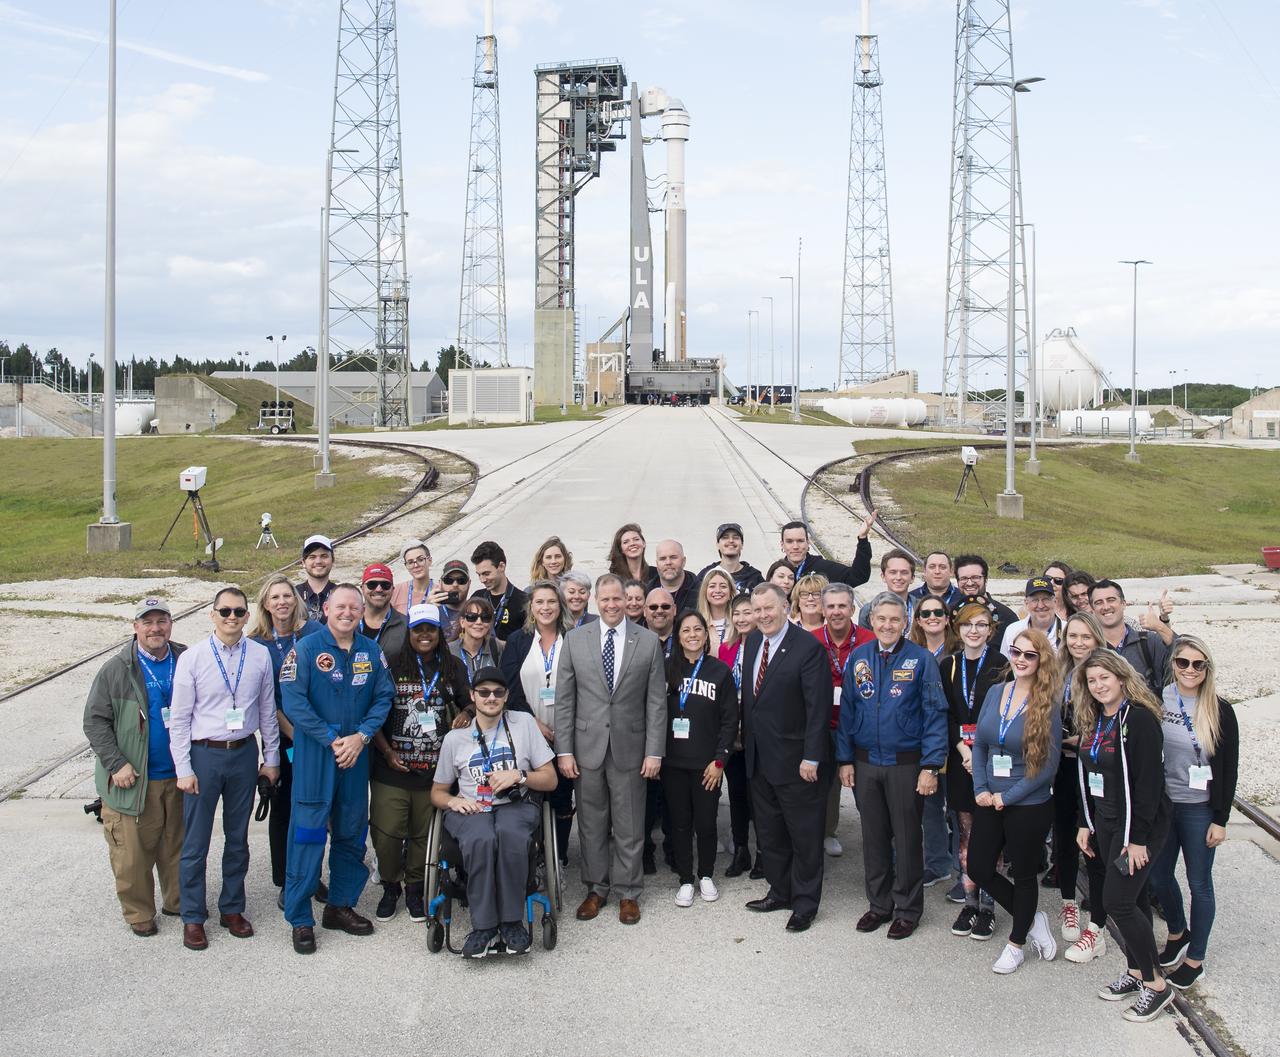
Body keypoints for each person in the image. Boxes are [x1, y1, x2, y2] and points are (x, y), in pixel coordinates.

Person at [280, 583, 395, 955]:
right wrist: (332, 739)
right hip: (318, 756)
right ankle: (300, 918)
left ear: (362, 612)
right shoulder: (306, 650)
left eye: (354, 608)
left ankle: (340, 906)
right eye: (341, 606)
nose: (347, 613)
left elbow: (383, 696)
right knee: (308, 835)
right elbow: (294, 702)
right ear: (326, 608)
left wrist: (361, 737)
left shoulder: (370, 650)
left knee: (350, 832)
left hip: (356, 756)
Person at [168, 588, 280, 951]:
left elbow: (267, 712)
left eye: (238, 612)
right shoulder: (194, 658)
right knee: (196, 842)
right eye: (225, 611)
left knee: (238, 838)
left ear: (248, 616)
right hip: (205, 755)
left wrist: (272, 759)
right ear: (212, 615)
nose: (232, 618)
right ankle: (193, 917)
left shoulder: (260, 655)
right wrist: (183, 767)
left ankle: (232, 907)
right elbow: (180, 719)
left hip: (243, 754)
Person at [554, 574, 667, 925]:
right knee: (590, 823)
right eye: (605, 600)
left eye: (617, 599)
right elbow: (565, 701)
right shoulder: (575, 640)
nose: (612, 605)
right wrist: (564, 751)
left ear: (628, 600)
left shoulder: (647, 642)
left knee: (630, 822)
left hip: (630, 749)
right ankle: (596, 888)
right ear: (595, 602)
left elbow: (656, 703)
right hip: (586, 750)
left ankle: (629, 892)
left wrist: (654, 752)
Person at [837, 592, 947, 940]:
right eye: (881, 619)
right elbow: (848, 713)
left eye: (894, 619)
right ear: (872, 622)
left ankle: (908, 909)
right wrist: (844, 759)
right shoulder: (859, 658)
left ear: (905, 622)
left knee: (907, 837)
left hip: (906, 765)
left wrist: (931, 765)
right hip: (866, 763)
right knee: (873, 838)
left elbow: (934, 714)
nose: (887, 625)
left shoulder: (921, 660)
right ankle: (879, 905)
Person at [1074, 649, 1174, 1022]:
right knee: (1134, 901)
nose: (1099, 685)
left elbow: (1147, 788)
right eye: (1092, 680)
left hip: (1140, 827)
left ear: (1120, 677)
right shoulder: (1095, 718)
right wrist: (1086, 822)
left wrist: (1137, 840)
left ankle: (1157, 985)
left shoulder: (1141, 720)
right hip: (1108, 821)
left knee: (1117, 901)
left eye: (1104, 678)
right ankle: (1135, 973)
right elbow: (1086, 776)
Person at [431, 667, 559, 957]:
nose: (491, 698)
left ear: (506, 696)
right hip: (472, 807)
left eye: (498, 692)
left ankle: (512, 922)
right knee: (481, 839)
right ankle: (484, 926)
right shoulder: (456, 739)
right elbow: (437, 792)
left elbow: (550, 779)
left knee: (510, 835)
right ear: (473, 696)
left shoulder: (524, 723)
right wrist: (453, 802)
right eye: (484, 692)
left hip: (515, 804)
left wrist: (520, 776)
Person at [83, 598, 188, 937]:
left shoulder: (186, 658)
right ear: (136, 627)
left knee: (176, 844)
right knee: (131, 852)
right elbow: (95, 721)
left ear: (171, 624)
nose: (155, 628)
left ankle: (178, 900)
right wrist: (116, 764)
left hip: (179, 774)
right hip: (133, 778)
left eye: (162, 621)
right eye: (148, 622)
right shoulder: (116, 669)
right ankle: (139, 910)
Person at [966, 628, 1062, 973]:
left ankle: (1016, 944)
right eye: (1016, 652)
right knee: (978, 867)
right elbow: (980, 744)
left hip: (1028, 803)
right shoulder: (996, 692)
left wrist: (1007, 796)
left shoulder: (1046, 701)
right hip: (990, 798)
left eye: (1029, 655)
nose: (1020, 660)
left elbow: (1048, 766)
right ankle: (1031, 917)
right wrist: (980, 788)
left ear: (1041, 661)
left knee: (1023, 875)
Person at [1147, 635, 1239, 990]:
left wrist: (1221, 818)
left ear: (1207, 669)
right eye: (1183, 662)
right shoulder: (1158, 700)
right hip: (1165, 806)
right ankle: (1176, 931)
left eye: (1197, 664)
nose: (1189, 670)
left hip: (1200, 809)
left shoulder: (1220, 709)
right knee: (1158, 877)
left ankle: (1195, 958)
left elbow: (1229, 768)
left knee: (1200, 884)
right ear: (1173, 665)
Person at [371, 602, 470, 922]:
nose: (424, 635)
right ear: (409, 632)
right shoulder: (392, 665)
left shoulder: (453, 666)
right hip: (392, 769)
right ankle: (390, 885)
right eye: (418, 629)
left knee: (422, 835)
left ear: (439, 632)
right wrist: (387, 752)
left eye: (431, 629)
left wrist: (466, 715)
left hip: (433, 773)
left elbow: (469, 704)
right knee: (386, 835)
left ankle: (414, 888)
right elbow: (375, 715)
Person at [741, 583, 831, 933]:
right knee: (770, 832)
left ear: (784, 607)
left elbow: (818, 709)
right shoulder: (752, 643)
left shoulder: (808, 649)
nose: (763, 615)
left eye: (769, 609)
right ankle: (780, 891)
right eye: (757, 610)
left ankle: (805, 903)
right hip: (759, 759)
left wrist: (812, 757)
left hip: (797, 762)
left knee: (805, 836)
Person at [247, 576, 324, 909]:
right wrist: (296, 734)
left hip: (317, 735)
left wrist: (313, 733)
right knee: (283, 811)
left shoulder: (315, 633)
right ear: (265, 604)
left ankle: (311, 874)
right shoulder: (256, 644)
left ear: (296, 599)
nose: (282, 602)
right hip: (282, 740)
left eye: (287, 596)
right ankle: (284, 878)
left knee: (314, 809)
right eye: (274, 597)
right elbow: (266, 700)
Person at [940, 601, 1006, 939]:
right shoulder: (948, 664)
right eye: (967, 625)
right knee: (965, 833)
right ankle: (970, 901)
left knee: (989, 835)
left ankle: (989, 906)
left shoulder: (1001, 665)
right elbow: (946, 713)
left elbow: (1005, 714)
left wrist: (977, 751)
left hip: (992, 761)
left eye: (981, 625)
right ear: (958, 629)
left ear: (990, 630)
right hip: (960, 758)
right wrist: (962, 748)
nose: (974, 631)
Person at [662, 612, 737, 907]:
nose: (692, 634)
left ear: (706, 635)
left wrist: (720, 761)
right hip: (673, 764)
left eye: (698, 629)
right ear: (678, 636)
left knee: (706, 823)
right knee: (679, 824)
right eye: (686, 630)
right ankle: (685, 879)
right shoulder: (667, 669)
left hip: (707, 765)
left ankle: (706, 874)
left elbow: (730, 721)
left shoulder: (720, 671)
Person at [501, 580, 576, 861]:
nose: (546, 607)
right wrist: (536, 724)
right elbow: (509, 689)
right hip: (528, 732)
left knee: (561, 795)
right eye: (540, 602)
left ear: (561, 606)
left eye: (551, 602)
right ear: (531, 607)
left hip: (567, 733)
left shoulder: (573, 638)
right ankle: (532, 855)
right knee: (532, 795)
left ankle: (559, 855)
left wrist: (563, 729)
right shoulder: (518, 641)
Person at [1057, 612, 1108, 956]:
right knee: (1063, 837)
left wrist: (1084, 742)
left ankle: (1098, 925)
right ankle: (1067, 902)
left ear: (1096, 640)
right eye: (1072, 636)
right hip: (1062, 767)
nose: (1078, 643)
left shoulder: (1105, 673)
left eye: (1085, 637)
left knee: (1095, 844)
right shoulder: (1057, 670)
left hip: (1094, 771)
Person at [813, 584, 875, 858]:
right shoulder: (811, 640)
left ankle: (877, 838)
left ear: (852, 608)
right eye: (831, 606)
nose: (836, 611)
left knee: (867, 789)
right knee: (825, 786)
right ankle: (826, 831)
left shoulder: (869, 640)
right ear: (822, 610)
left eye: (842, 606)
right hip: (825, 725)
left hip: (861, 726)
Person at [908, 595, 961, 889]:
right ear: (917, 619)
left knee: (958, 810)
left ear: (947, 617)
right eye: (925, 612)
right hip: (924, 738)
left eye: (938, 612)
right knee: (929, 807)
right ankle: (937, 864)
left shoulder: (959, 651)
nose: (932, 617)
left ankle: (963, 871)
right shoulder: (910, 652)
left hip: (955, 740)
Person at [719, 594, 760, 878]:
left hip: (757, 732)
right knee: (736, 794)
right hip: (733, 733)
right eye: (738, 614)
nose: (743, 619)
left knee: (758, 795)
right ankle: (742, 850)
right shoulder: (726, 648)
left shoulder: (763, 646)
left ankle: (765, 853)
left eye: (748, 613)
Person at [1089, 579, 1174, 696]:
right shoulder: (1088, 648)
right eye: (1099, 602)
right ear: (1092, 610)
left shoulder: (1148, 643)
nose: (1106, 606)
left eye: (1111, 600)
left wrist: (1161, 625)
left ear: (1124, 604)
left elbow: (1184, 654)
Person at [778, 514, 875, 588]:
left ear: (808, 543)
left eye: (800, 541)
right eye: (789, 541)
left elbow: (857, 577)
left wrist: (862, 540)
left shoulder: (824, 568)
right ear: (782, 545)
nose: (795, 546)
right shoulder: (777, 571)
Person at [471, 541, 529, 642]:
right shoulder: (477, 597)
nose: (482, 580)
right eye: (479, 574)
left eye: (486, 573)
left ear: (501, 566)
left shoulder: (523, 601)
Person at [999, 577, 1064, 656]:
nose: (1040, 605)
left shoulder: (1068, 630)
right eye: (1035, 600)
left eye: (1046, 599)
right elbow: (1006, 665)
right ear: (1026, 603)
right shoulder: (1012, 631)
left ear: (1054, 601)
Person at [954, 555, 1019, 631]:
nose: (969, 583)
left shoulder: (1006, 616)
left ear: (986, 580)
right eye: (964, 578)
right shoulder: (950, 613)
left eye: (975, 577)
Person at [449, 595, 505, 684]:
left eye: (485, 617)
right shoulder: (449, 650)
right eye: (472, 617)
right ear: (462, 622)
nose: (479, 622)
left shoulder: (498, 648)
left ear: (490, 623)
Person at [359, 562, 407, 661]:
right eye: (372, 584)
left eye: (385, 585)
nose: (379, 589)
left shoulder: (407, 626)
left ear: (393, 589)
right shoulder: (347, 621)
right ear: (362, 588)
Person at [697, 522, 764, 593]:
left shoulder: (754, 576)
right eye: (725, 538)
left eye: (736, 538)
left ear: (742, 544)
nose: (731, 541)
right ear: (717, 545)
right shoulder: (706, 574)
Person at [857, 550, 916, 628]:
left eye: (904, 572)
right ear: (883, 576)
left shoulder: (922, 608)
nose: (898, 577)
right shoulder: (868, 610)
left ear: (912, 578)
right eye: (893, 572)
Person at [390, 540, 446, 615]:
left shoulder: (441, 591)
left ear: (430, 560)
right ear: (406, 566)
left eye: (420, 560)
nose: (416, 565)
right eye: (410, 562)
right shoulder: (395, 591)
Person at [651, 539, 701, 613]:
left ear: (683, 561)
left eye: (673, 557)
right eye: (663, 559)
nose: (668, 562)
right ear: (657, 564)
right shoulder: (646, 593)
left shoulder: (701, 592)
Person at [696, 567, 737, 654]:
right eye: (712, 586)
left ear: (731, 592)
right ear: (705, 592)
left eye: (723, 586)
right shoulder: (697, 624)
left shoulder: (738, 623)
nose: (718, 590)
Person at [297, 535, 336, 622]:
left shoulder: (342, 594)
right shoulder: (293, 595)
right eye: (312, 557)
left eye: (324, 556)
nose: (318, 561)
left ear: (333, 560)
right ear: (303, 562)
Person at [644, 587, 677, 659]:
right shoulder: (634, 640)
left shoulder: (685, 638)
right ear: (644, 611)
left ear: (674, 609)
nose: (659, 611)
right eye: (653, 607)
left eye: (665, 606)